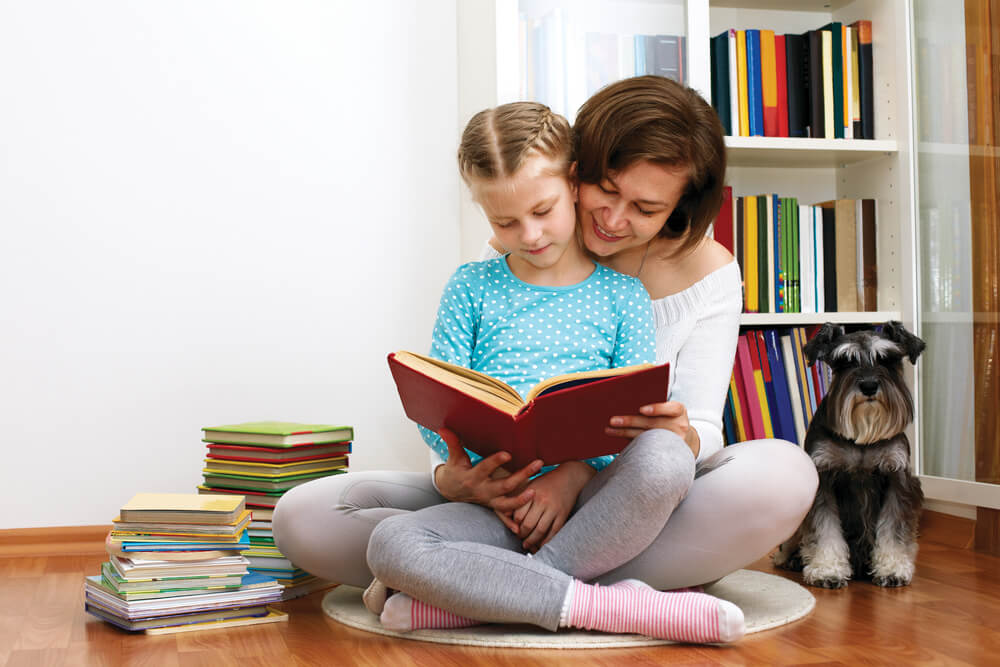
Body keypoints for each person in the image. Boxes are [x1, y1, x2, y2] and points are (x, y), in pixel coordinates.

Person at [272, 76, 817, 640]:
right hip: (495, 500)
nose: (611, 218)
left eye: (645, 207)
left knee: (720, 463)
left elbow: (683, 426)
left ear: (680, 206)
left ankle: (481, 592)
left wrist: (599, 466)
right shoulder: (501, 262)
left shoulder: (650, 289)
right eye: (605, 189)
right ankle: (603, 599)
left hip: (611, 497)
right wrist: (455, 477)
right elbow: (451, 399)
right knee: (320, 521)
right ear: (576, 170)